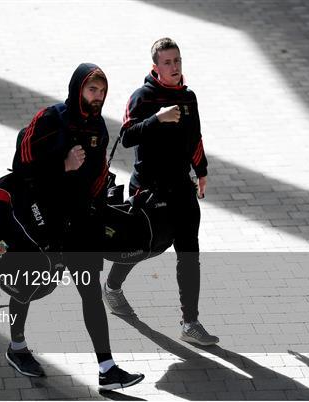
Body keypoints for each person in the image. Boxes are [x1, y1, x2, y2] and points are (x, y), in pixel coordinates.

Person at [6, 63, 144, 391]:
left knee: (90, 293)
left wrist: (100, 210)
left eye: (101, 91)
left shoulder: (99, 129)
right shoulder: (49, 119)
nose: (97, 97)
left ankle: (107, 368)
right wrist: (62, 165)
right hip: (43, 221)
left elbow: (96, 178)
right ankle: (16, 347)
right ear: (77, 89)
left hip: (78, 225)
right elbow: (21, 168)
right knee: (26, 287)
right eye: (91, 89)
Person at [102, 38, 219, 346]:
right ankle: (112, 288)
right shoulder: (143, 97)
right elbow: (126, 136)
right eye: (167, 62)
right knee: (144, 247)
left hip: (181, 187)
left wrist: (202, 171)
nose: (175, 67)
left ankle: (190, 322)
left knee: (189, 254)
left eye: (177, 60)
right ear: (155, 67)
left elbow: (195, 137)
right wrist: (158, 118)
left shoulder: (189, 97)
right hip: (149, 190)